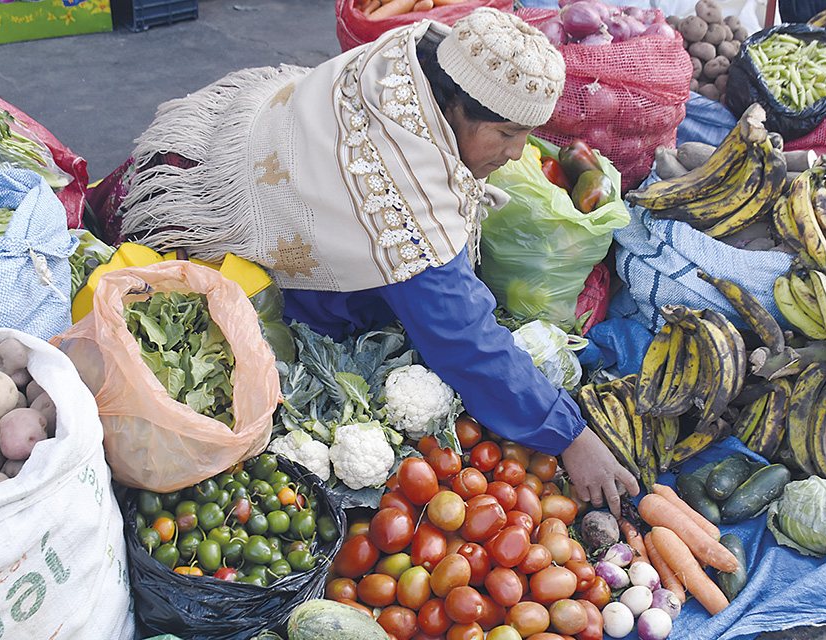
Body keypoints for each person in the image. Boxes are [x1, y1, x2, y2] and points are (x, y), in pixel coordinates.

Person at [86, 8, 640, 514]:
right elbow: (463, 340)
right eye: (506, 134)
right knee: (341, 306)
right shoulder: (402, 202)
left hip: (231, 136)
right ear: (453, 105)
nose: (518, 153)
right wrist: (570, 436)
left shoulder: (409, 59)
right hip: (199, 203)